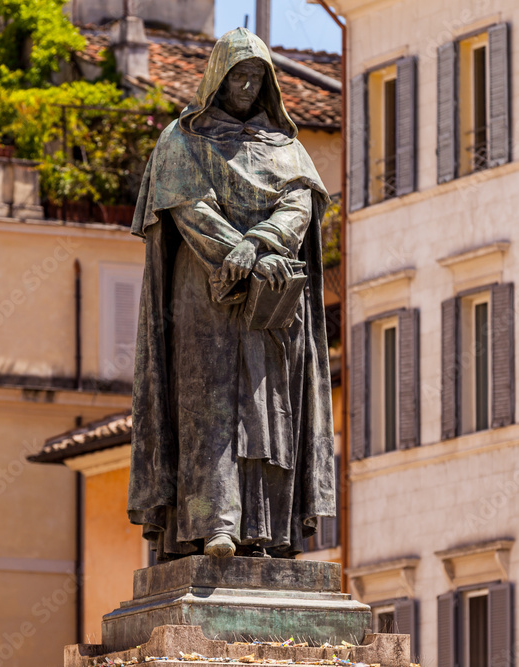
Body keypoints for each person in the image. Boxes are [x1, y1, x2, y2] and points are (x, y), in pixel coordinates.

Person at [127, 27, 335, 560]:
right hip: (204, 289)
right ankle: (213, 523)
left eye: (255, 77)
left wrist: (264, 244)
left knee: (268, 407)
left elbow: (300, 205)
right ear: (217, 78)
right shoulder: (182, 140)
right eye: (238, 75)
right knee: (209, 405)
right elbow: (188, 207)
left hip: (271, 295)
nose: (245, 86)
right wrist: (236, 252)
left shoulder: (287, 147)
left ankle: (267, 532)